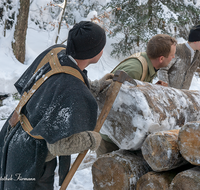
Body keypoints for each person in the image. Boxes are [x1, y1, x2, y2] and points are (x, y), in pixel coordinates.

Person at [0, 21, 113, 190]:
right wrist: (92, 139)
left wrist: (93, 87)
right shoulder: (72, 88)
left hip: (14, 134)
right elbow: (59, 145)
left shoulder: (56, 52)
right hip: (33, 161)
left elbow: (58, 80)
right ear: (95, 53)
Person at [97, 34, 177, 157]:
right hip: (111, 135)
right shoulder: (135, 69)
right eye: (172, 55)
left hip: (120, 133)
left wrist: (151, 89)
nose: (173, 57)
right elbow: (115, 102)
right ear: (161, 58)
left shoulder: (148, 63)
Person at [158, 25, 200, 89]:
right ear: (195, 41)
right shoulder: (176, 50)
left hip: (183, 96)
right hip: (168, 94)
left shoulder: (197, 55)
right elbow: (162, 69)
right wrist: (166, 89)